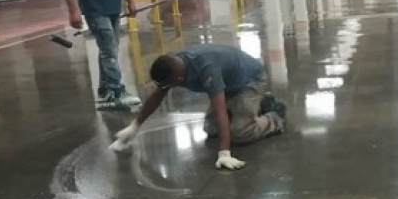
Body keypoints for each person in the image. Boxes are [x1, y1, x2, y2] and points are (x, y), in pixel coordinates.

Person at [112, 44, 287, 170]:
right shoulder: (175, 66)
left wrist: (224, 153)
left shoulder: (206, 69)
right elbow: (157, 96)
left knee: (240, 133)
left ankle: (275, 115)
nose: (165, 88)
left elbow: (219, 109)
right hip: (229, 83)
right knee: (211, 129)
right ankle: (256, 106)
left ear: (177, 78)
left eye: (168, 84)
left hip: (251, 81)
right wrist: (135, 126)